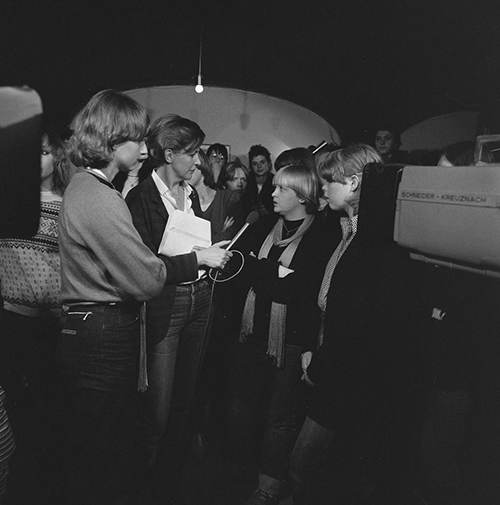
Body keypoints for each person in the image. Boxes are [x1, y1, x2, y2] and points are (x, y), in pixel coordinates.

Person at [56, 90, 202, 505]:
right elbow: (146, 278)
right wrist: (191, 262)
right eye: (135, 139)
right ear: (111, 140)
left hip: (96, 329)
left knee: (100, 448)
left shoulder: (91, 188)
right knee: (102, 454)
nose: (142, 149)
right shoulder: (97, 195)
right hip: (101, 333)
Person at [289, 144, 414, 504]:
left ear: (355, 183)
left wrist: (318, 367)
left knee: (305, 466)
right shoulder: (346, 230)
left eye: (330, 180)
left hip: (344, 377)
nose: (323, 187)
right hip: (332, 366)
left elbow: (353, 325)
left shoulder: (374, 243)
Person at [125, 114, 231, 503]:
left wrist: (212, 252)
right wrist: (199, 257)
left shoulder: (190, 194)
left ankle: (169, 485)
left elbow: (193, 243)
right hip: (164, 303)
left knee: (184, 404)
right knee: (157, 412)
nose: (198, 160)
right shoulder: (140, 199)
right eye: (192, 152)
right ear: (169, 154)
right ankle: (144, 488)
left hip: (199, 297)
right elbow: (144, 267)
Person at [227, 165, 334, 505]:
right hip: (252, 332)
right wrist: (277, 271)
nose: (273, 194)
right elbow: (239, 268)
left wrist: (261, 271)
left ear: (302, 197)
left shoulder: (320, 235)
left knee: (279, 417)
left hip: (290, 339)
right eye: (273, 187)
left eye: (282, 189)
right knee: (242, 409)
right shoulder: (264, 227)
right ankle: (242, 473)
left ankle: (270, 486)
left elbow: (301, 290)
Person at [190, 149, 244, 242]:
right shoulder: (186, 201)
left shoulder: (228, 198)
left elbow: (232, 235)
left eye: (191, 166)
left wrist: (204, 241)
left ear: (201, 165)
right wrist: (220, 235)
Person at [247, 144, 275, 217]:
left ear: (269, 163)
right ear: (251, 166)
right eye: (255, 164)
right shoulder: (246, 181)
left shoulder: (276, 182)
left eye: (262, 162)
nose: (259, 166)